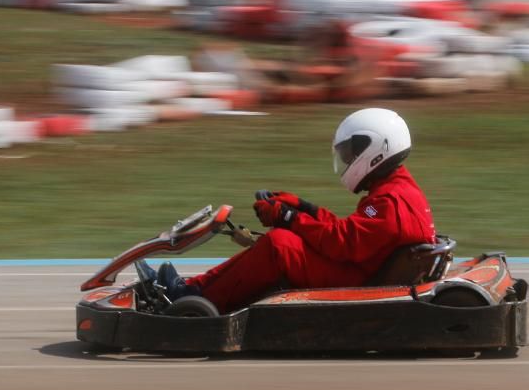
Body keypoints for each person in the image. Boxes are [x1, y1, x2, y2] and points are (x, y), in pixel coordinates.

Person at [142, 107, 435, 313]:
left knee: (279, 246)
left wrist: (288, 218)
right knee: (282, 241)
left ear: (376, 150)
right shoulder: (396, 189)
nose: (347, 161)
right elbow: (352, 233)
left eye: (351, 154)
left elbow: (342, 243)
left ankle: (195, 300)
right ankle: (194, 289)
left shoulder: (391, 202)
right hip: (364, 268)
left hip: (361, 282)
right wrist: (302, 207)